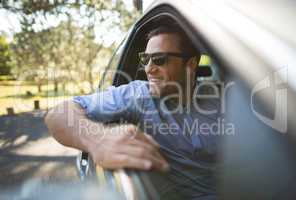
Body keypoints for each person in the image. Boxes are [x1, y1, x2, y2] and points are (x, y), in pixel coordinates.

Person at [45, 23, 220, 199]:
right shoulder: (138, 95)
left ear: (190, 64)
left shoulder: (223, 98)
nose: (148, 69)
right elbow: (57, 115)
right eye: (145, 59)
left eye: (159, 59)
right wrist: (97, 139)